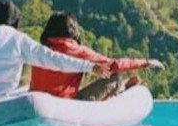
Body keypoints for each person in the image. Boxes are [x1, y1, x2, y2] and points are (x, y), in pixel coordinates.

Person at [30, 11, 164, 101]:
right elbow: (113, 65)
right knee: (115, 77)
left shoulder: (38, 50)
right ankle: (123, 88)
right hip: (68, 104)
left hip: (39, 102)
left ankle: (123, 87)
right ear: (73, 30)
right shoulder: (77, 51)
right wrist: (146, 62)